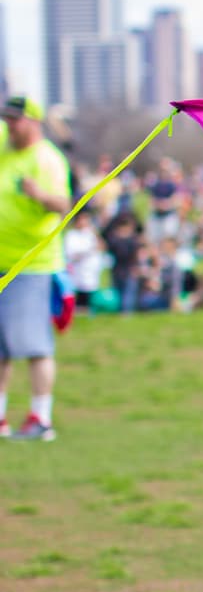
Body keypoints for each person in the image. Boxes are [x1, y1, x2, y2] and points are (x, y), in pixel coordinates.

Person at [0, 97, 71, 441]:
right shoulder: (3, 143)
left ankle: (40, 419)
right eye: (7, 119)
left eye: (17, 120)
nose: (10, 126)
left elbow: (64, 205)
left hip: (32, 266)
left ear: (34, 121)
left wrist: (39, 195)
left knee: (33, 345)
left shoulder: (48, 160)